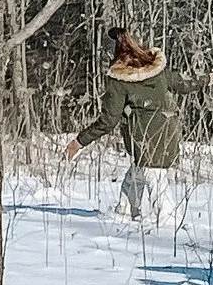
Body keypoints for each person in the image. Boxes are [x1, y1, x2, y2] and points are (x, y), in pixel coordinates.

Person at [72, 25, 189, 226]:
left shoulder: (119, 80)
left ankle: (169, 229)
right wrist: (209, 79)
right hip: (165, 134)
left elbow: (109, 121)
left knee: (156, 182)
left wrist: (79, 141)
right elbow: (185, 84)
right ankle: (125, 213)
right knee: (138, 174)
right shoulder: (156, 69)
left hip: (143, 139)